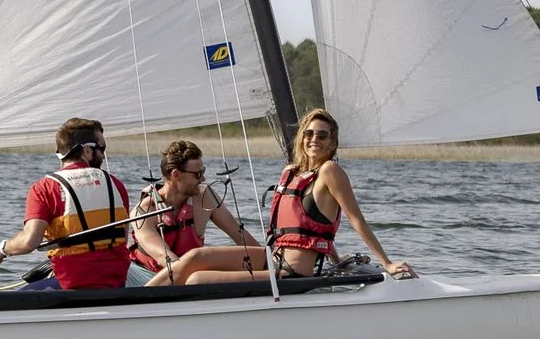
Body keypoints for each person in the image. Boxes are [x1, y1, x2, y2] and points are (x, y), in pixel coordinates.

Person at [146, 108, 413, 286]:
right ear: (301, 138)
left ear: (332, 142)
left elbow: (356, 220)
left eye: (322, 135)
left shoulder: (331, 171)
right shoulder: (291, 171)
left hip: (291, 271)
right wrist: (335, 259)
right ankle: (134, 301)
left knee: (196, 280)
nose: (314, 139)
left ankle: (143, 307)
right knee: (193, 257)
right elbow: (314, 222)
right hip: (272, 257)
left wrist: (386, 263)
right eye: (309, 133)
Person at [0, 117, 131, 290]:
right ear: (87, 151)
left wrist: (1, 249)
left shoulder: (44, 188)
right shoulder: (116, 185)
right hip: (116, 282)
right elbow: (123, 239)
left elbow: (29, 242)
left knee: (13, 299)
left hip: (72, 284)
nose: (103, 155)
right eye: (102, 149)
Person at [126, 139, 261, 286]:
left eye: (203, 172)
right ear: (176, 175)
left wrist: (270, 261)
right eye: (197, 174)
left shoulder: (205, 197)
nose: (203, 178)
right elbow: (165, 257)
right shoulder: (143, 212)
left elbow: (240, 237)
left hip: (186, 274)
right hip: (147, 278)